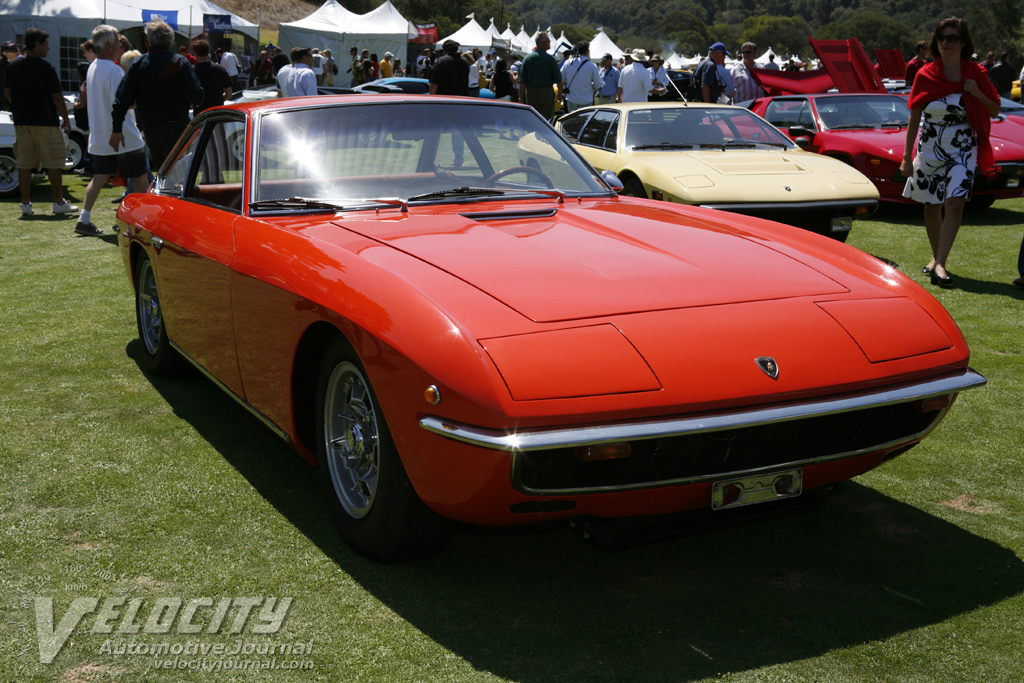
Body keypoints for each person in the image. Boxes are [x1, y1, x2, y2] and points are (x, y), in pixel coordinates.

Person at [900, 17, 1000, 288]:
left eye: (952, 38)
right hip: (930, 145)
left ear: (963, 42)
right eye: (942, 38)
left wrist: (977, 92)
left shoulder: (976, 73)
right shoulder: (926, 74)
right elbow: (914, 117)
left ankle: (940, 263)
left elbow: (994, 109)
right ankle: (936, 257)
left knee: (954, 202)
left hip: (963, 147)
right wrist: (906, 156)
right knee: (931, 204)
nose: (946, 42)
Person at [75, 25, 150, 237]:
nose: (120, 44)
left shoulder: (93, 67)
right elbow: (124, 103)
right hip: (123, 135)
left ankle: (84, 217)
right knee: (140, 177)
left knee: (99, 176)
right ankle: (145, 221)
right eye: (117, 41)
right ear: (109, 46)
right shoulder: (114, 70)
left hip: (100, 136)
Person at [3, 28, 78, 217]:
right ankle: (58, 203)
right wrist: (67, 120)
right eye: (46, 43)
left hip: (22, 123)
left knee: (25, 164)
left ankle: (26, 206)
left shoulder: (13, 67)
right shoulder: (46, 68)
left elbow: (7, 92)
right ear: (37, 45)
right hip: (46, 122)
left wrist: (19, 107)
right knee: (53, 164)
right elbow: (57, 97)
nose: (48, 47)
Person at [111, 19, 204, 171]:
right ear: (170, 40)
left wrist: (116, 128)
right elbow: (197, 96)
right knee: (176, 172)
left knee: (163, 172)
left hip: (151, 127)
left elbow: (122, 99)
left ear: (148, 41)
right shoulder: (180, 62)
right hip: (176, 125)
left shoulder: (138, 64)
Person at [518, 32, 562, 119]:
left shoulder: (527, 59)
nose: (550, 42)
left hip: (531, 93)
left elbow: (522, 82)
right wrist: (559, 93)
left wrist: (520, 98)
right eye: (548, 41)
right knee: (546, 120)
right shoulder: (550, 59)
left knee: (531, 119)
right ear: (543, 43)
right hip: (546, 93)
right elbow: (559, 80)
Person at [192, 40, 233, 113]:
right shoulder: (220, 69)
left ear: (195, 53)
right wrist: (219, 99)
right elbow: (229, 93)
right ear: (208, 52)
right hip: (217, 112)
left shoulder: (192, 70)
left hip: (200, 113)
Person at [560, 41, 601, 111]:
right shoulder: (592, 66)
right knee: (585, 121)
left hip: (571, 99)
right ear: (588, 51)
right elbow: (597, 85)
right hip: (586, 100)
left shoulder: (568, 63)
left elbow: (560, 78)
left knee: (572, 121)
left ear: (578, 50)